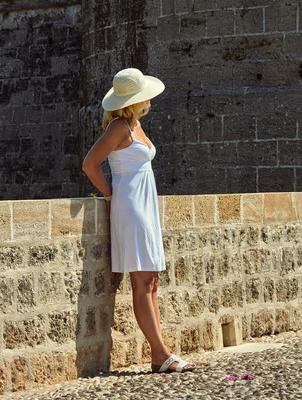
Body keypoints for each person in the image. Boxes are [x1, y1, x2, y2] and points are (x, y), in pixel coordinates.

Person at [82, 68, 196, 373]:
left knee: (151, 280)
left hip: (144, 206)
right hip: (130, 206)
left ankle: (161, 354)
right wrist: (109, 194)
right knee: (143, 282)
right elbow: (90, 164)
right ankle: (160, 353)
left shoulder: (136, 124)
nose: (149, 100)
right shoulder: (119, 127)